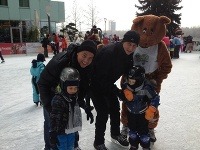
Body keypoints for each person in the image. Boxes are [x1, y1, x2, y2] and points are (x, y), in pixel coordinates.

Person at [37, 40, 96, 150]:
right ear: (78, 52)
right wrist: (49, 106)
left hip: (71, 98)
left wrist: (83, 105)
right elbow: (42, 82)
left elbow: (83, 88)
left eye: (90, 58)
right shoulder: (60, 62)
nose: (86, 61)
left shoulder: (89, 68)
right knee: (52, 124)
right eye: (84, 55)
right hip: (53, 98)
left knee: (72, 122)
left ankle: (74, 145)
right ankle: (49, 147)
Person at [90, 30, 140, 150]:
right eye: (129, 44)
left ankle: (115, 134)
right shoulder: (109, 53)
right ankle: (98, 142)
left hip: (108, 83)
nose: (131, 48)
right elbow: (100, 77)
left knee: (114, 108)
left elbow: (128, 73)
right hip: (94, 83)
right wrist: (118, 92)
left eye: (134, 46)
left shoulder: (129, 55)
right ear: (123, 42)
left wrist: (129, 87)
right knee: (102, 112)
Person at [120, 65, 160, 150]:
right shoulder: (126, 85)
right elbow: (122, 94)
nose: (130, 82)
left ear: (139, 79)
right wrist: (124, 94)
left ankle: (145, 146)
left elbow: (155, 98)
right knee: (132, 131)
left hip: (142, 115)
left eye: (132, 81)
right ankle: (133, 145)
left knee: (144, 133)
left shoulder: (146, 88)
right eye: (129, 80)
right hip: (131, 114)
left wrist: (151, 109)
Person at [49, 67, 82, 150]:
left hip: (71, 130)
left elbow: (74, 115)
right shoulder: (58, 99)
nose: (73, 90)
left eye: (75, 88)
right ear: (64, 86)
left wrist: (76, 131)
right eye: (70, 88)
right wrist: (53, 133)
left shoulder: (74, 98)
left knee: (70, 147)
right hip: (61, 131)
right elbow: (54, 117)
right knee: (63, 147)